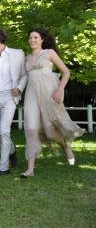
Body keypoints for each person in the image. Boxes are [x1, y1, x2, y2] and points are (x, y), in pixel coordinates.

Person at [21, 28, 85, 178]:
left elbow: (66, 72)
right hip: (31, 95)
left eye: (35, 37)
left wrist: (60, 90)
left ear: (42, 40)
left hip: (49, 94)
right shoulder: (27, 58)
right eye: (30, 38)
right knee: (31, 130)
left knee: (50, 133)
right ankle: (30, 169)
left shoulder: (49, 53)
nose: (32, 40)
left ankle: (64, 144)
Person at [0, 27, 28, 175]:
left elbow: (24, 75)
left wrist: (19, 88)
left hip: (10, 97)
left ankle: (3, 167)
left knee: (4, 130)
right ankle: (12, 150)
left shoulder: (17, 54)